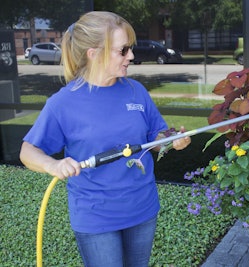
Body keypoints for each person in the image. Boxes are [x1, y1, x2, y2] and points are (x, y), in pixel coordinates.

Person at [19, 11, 191, 267]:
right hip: (96, 217)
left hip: (142, 209)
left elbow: (156, 135)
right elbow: (27, 151)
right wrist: (53, 165)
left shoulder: (136, 91)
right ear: (94, 53)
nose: (131, 56)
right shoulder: (63, 103)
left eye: (130, 48)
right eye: (123, 50)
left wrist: (171, 139)